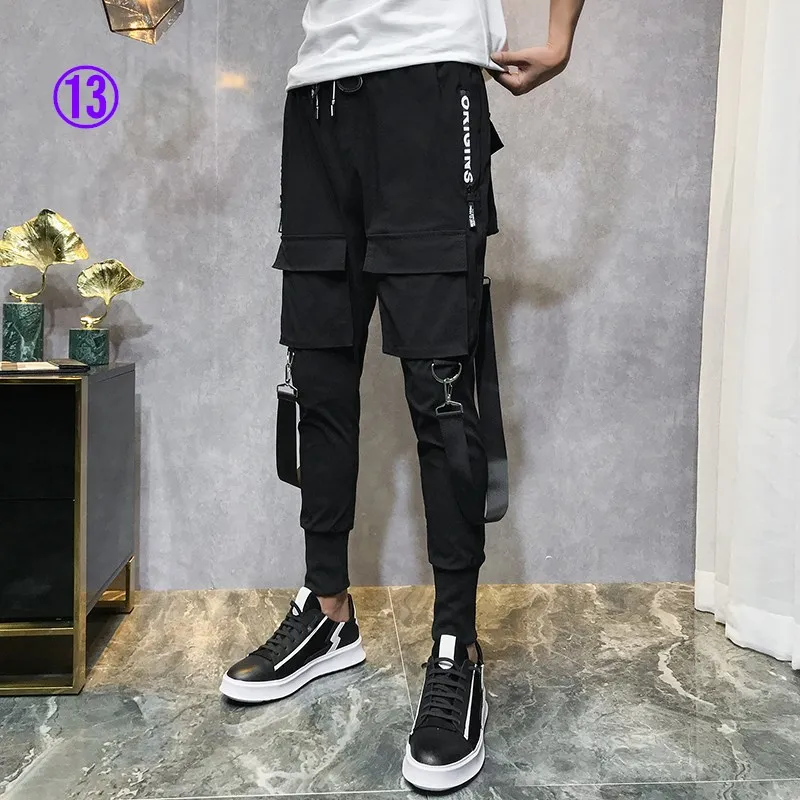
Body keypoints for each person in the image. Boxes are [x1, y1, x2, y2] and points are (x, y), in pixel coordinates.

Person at [220, 0, 585, 791]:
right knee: (316, 376)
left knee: (441, 391)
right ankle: (327, 612)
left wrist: (559, 37)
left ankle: (457, 646)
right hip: (316, 96)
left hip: (430, 89)